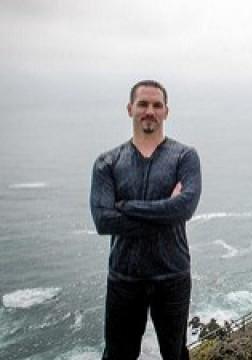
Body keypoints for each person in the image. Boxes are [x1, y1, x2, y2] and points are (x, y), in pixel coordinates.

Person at [90, 80, 201, 359]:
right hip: (124, 277)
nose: (149, 111)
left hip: (172, 274)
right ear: (130, 109)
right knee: (117, 354)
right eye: (143, 104)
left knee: (175, 353)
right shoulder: (107, 162)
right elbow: (103, 220)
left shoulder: (185, 157)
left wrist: (125, 206)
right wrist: (166, 210)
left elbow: (185, 208)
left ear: (166, 111)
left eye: (156, 105)